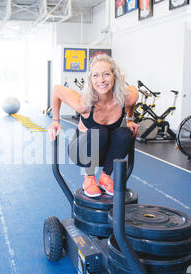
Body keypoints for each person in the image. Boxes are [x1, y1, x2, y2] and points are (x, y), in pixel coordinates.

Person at [48, 54, 139, 197]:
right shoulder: (84, 103)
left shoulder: (125, 99)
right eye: (95, 76)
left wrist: (130, 119)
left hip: (106, 154)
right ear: (91, 80)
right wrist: (55, 121)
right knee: (99, 132)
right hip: (81, 152)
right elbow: (57, 90)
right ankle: (89, 178)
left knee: (125, 133)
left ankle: (105, 176)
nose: (101, 80)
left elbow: (134, 92)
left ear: (115, 77)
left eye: (106, 74)